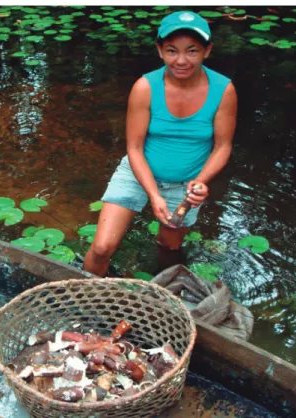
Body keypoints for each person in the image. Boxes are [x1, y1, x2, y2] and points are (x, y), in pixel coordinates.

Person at [83, 11, 238, 277]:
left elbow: (223, 146)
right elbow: (134, 148)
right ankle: (84, 301)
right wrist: (154, 195)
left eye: (192, 51)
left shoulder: (224, 90)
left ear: (207, 51)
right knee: (101, 248)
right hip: (137, 171)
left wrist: (201, 181)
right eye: (171, 51)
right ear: (159, 50)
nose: (181, 60)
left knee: (169, 247)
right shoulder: (145, 87)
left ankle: (161, 296)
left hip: (186, 183)